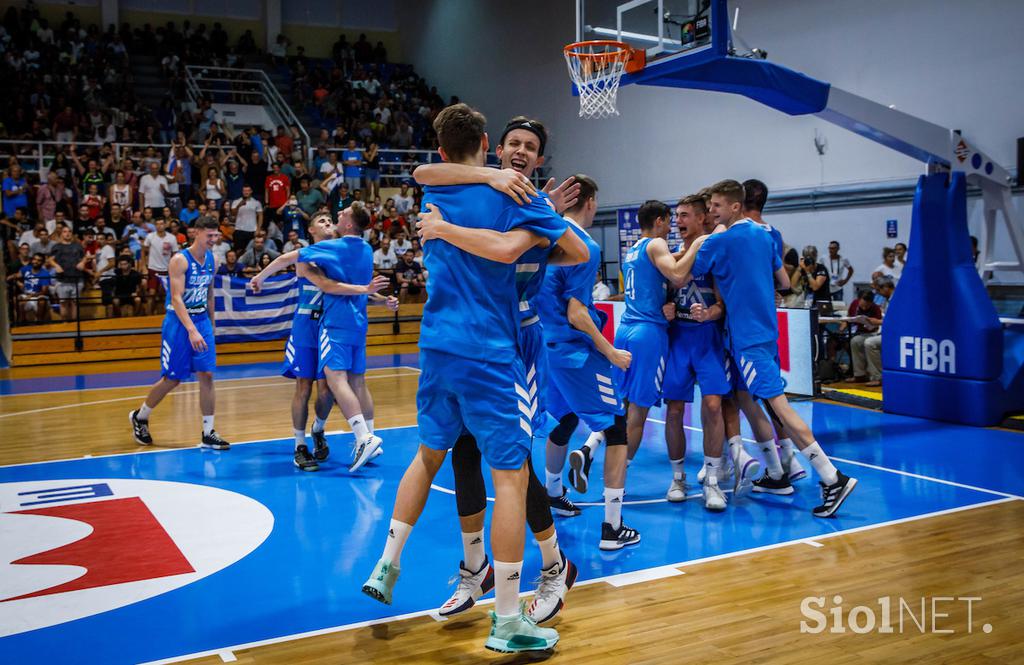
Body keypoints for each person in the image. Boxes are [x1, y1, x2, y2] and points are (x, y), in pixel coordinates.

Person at [361, 104, 577, 655]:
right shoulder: (512, 196)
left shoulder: (438, 193)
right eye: (510, 147)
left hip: (436, 346)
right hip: (490, 348)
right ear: (489, 143)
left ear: (441, 149)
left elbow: (424, 174)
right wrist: (538, 224)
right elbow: (578, 250)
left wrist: (535, 223)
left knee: (430, 456)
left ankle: (390, 562)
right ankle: (507, 618)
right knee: (510, 477)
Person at [412, 114, 584, 623]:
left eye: (530, 146)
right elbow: (426, 173)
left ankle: (555, 565)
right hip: (476, 339)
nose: (520, 152)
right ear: (495, 149)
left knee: (513, 463)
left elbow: (577, 251)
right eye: (513, 143)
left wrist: (538, 234)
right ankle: (475, 568)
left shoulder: (532, 208)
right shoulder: (486, 191)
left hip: (519, 344)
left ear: (539, 158)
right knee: (464, 451)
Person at [676, 179, 858, 517]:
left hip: (746, 338)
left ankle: (832, 477)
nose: (711, 211)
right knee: (754, 402)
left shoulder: (720, 240)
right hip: (767, 331)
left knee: (781, 408)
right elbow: (785, 282)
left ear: (734, 206)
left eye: (716, 206)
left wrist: (704, 241)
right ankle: (777, 473)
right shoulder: (765, 234)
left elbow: (684, 275)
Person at [534, 175, 639, 552]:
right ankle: (613, 527)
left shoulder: (544, 236)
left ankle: (553, 492)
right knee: (616, 430)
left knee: (563, 421)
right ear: (591, 202)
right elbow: (578, 312)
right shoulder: (584, 245)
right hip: (577, 352)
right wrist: (610, 352)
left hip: (546, 348)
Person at [253, 203, 396, 471]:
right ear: (310, 229)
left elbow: (351, 288)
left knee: (330, 389)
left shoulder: (339, 251)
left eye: (332, 219)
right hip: (308, 326)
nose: (329, 222)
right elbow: (336, 286)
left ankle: (320, 429)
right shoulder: (310, 257)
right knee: (305, 387)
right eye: (322, 220)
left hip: (332, 325)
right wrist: (260, 277)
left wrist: (378, 299)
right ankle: (299, 445)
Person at [660, 195, 734, 510]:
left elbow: (722, 304)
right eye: (676, 215)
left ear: (702, 219)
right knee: (674, 410)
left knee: (714, 406)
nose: (679, 221)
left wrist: (710, 314)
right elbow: (661, 297)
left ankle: (713, 481)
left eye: (685, 215)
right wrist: (664, 308)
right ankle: (678, 476)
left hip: (707, 340)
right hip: (678, 339)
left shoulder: (712, 257)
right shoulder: (670, 257)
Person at [130, 217, 229, 450]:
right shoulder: (179, 260)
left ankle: (208, 432)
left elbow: (210, 293)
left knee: (207, 375)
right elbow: (176, 298)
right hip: (179, 324)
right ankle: (140, 416)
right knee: (173, 379)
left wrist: (211, 326)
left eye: (217, 236)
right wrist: (192, 330)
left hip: (201, 320)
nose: (214, 240)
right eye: (210, 235)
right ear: (197, 233)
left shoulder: (213, 260)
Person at [47, 227, 89, 322]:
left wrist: (82, 263)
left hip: (77, 279)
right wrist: (56, 266)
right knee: (63, 303)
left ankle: (75, 325)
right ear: (61, 234)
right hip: (62, 280)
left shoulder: (78, 246)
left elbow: (84, 257)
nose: (67, 233)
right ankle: (65, 325)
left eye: (70, 231)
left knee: (75, 303)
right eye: (65, 231)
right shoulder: (57, 246)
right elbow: (50, 259)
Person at [845, 288, 884, 385]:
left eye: (867, 306)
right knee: (855, 341)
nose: (865, 308)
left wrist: (872, 324)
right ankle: (859, 374)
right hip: (860, 332)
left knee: (869, 342)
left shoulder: (876, 308)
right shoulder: (854, 304)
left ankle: (877, 376)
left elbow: (878, 324)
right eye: (862, 306)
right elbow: (849, 317)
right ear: (858, 300)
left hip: (873, 332)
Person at [143, 219, 180, 315]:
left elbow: (175, 254)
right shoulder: (150, 236)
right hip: (153, 268)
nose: (160, 226)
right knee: (151, 293)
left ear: (165, 224)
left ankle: (166, 316)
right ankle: (149, 316)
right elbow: (144, 250)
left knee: (166, 295)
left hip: (166, 270)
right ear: (155, 225)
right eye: (157, 224)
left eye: (161, 223)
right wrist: (144, 264)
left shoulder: (171, 238)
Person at [17, 253, 52, 322]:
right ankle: (22, 322)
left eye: (39, 260)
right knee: (19, 299)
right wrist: (18, 282)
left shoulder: (45, 273)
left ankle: (39, 322)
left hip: (39, 295)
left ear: (42, 262)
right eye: (34, 259)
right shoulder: (26, 269)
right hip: (26, 294)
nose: (36, 261)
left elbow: (44, 291)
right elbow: (17, 276)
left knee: (41, 301)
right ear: (32, 260)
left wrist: (31, 295)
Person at [230, 184, 263, 251]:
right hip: (239, 230)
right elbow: (232, 213)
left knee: (250, 250)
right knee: (238, 250)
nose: (246, 192)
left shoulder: (256, 202)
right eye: (244, 191)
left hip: (252, 230)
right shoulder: (236, 201)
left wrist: (258, 229)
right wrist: (239, 205)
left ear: (251, 191)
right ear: (242, 191)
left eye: (248, 190)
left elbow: (260, 216)